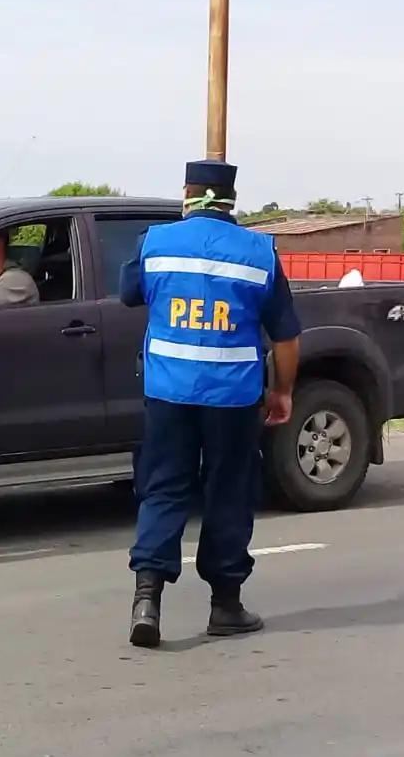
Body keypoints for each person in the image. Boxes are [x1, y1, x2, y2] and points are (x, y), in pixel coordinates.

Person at [117, 159, 301, 648]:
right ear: (230, 199)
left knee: (164, 489)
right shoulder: (260, 252)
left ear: (188, 192)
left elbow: (127, 294)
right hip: (234, 399)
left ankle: (147, 601)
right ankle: (225, 605)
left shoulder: (155, 242)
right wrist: (283, 391)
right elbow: (285, 337)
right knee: (230, 493)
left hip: (168, 393)